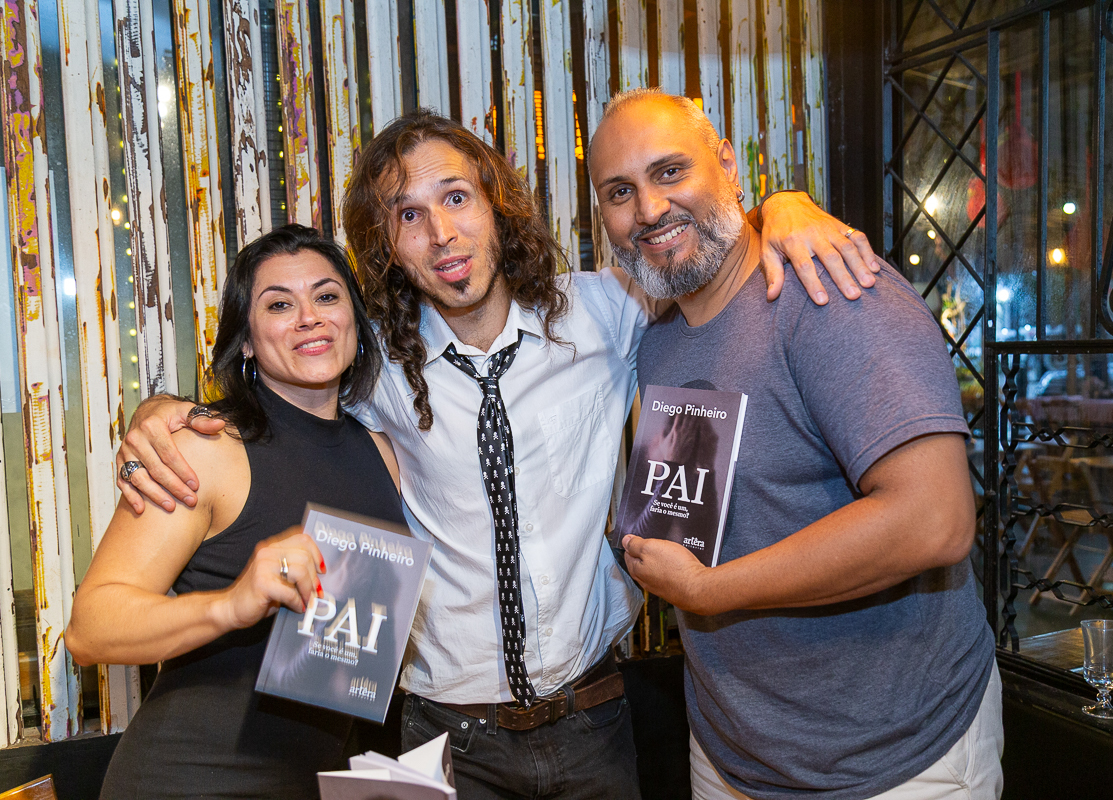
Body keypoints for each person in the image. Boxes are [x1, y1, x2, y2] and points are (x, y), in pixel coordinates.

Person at [114, 109, 884, 799]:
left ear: (495, 204)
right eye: (407, 215)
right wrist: (161, 413)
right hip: (443, 740)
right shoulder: (368, 361)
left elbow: (701, 255)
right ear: (386, 243)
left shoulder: (607, 312)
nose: (441, 234)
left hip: (594, 720)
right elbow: (275, 392)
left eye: (455, 198)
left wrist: (783, 207)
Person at [589, 88, 1002, 800]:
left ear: (727, 164)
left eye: (669, 173)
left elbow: (936, 521)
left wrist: (704, 590)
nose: (649, 210)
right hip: (731, 756)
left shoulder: (829, 292)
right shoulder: (658, 339)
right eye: (620, 191)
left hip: (892, 760)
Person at [65, 225, 406, 799]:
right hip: (188, 781)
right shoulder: (207, 446)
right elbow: (88, 628)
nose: (309, 317)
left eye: (327, 296)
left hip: (309, 783)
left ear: (355, 321)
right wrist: (229, 606)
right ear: (245, 339)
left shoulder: (384, 454)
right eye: (279, 304)